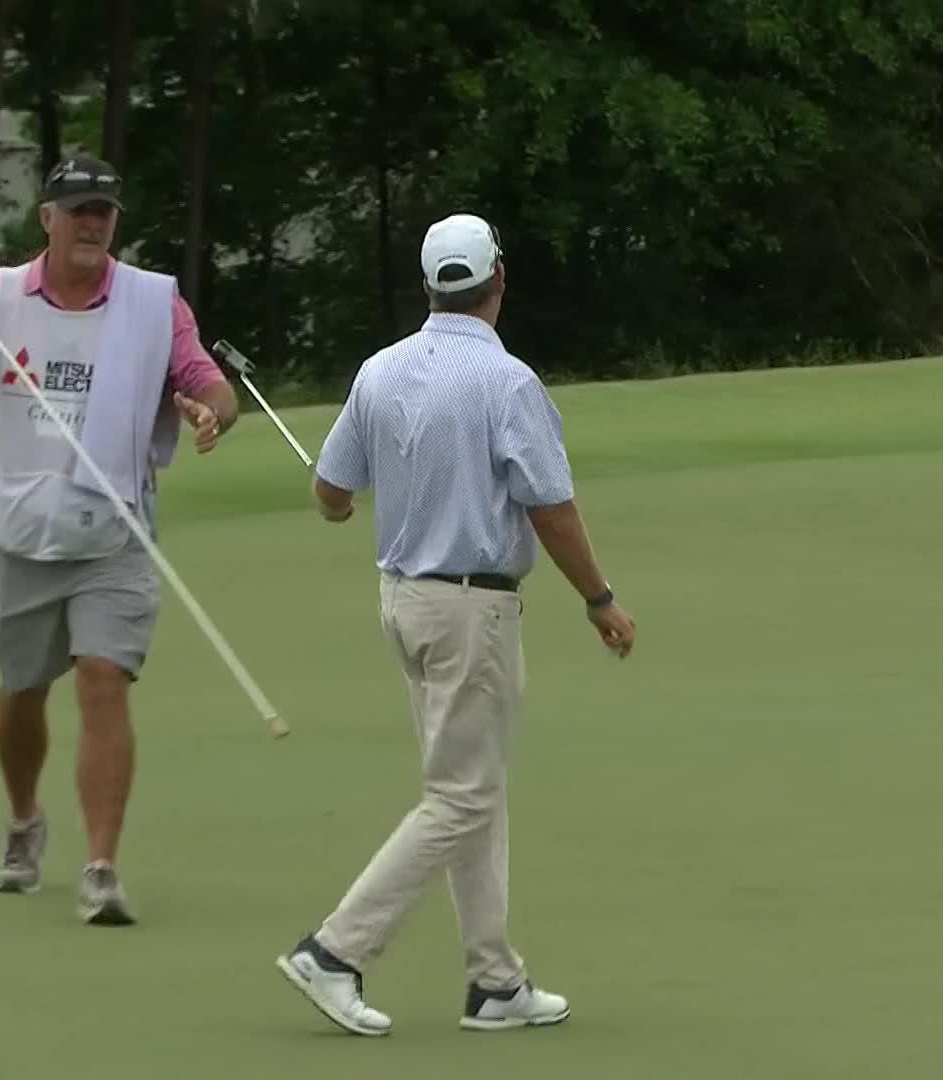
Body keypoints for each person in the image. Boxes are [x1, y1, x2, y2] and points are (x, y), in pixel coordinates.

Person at [274, 212, 636, 1035]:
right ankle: (335, 951)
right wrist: (598, 597)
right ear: (498, 281)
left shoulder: (380, 370)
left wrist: (338, 501)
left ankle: (494, 982)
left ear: (432, 285)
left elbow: (332, 494)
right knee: (462, 795)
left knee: (475, 788)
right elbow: (550, 507)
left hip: (405, 605)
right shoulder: (507, 382)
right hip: (473, 609)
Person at [0, 154, 240, 926]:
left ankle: (101, 867)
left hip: (115, 532)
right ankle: (25, 819)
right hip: (19, 534)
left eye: (104, 211)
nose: (93, 224)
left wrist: (209, 412)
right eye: (78, 211)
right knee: (21, 696)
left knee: (104, 680)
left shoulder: (150, 304)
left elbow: (207, 380)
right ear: (48, 219)